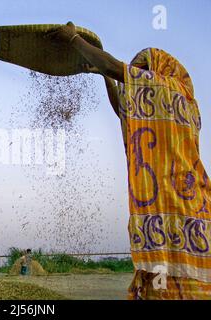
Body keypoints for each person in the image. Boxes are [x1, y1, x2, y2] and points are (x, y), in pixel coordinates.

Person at [47, 22, 211, 300]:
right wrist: (106, 77)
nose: (136, 77)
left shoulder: (167, 87)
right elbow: (124, 107)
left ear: (158, 67)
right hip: (186, 206)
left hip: (182, 206)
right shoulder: (181, 103)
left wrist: (74, 40)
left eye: (140, 69)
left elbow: (117, 70)